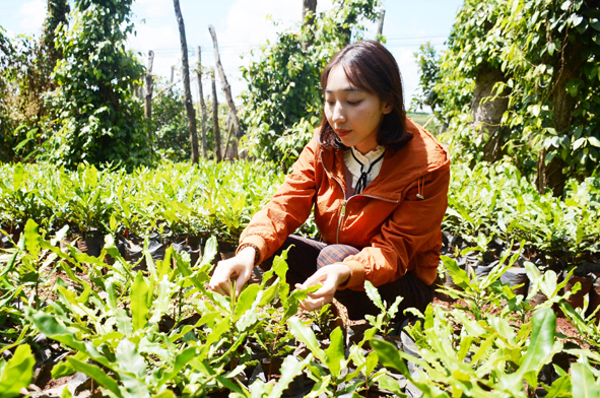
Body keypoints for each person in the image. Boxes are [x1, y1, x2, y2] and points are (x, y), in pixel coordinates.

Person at [209, 40, 450, 324]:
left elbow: (393, 253)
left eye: (353, 101)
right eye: (330, 100)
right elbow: (285, 203)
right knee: (271, 249)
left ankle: (370, 330)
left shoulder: (426, 164)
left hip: (401, 283)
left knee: (334, 257)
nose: (336, 116)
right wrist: (249, 251)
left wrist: (344, 271)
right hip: (337, 264)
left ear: (387, 102)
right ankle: (325, 308)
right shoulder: (325, 145)